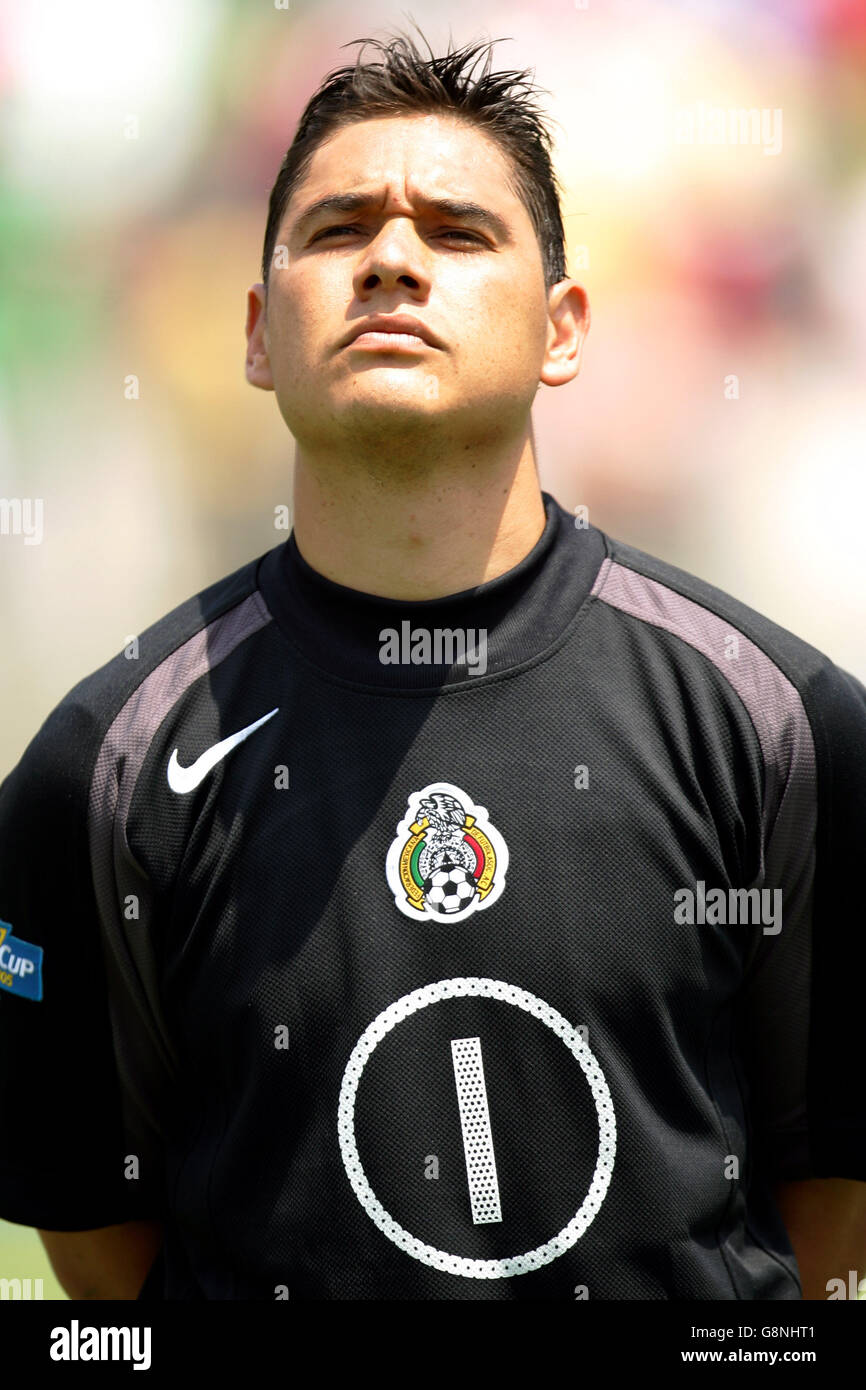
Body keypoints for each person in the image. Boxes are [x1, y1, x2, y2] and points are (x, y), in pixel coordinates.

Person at [1, 25, 864, 1303]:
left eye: (457, 234)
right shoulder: (103, 765)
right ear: (253, 331)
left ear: (563, 328)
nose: (392, 260)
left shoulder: (782, 723)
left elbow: (829, 1202)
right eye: (338, 229)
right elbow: (93, 1239)